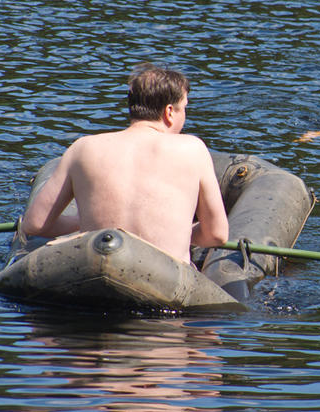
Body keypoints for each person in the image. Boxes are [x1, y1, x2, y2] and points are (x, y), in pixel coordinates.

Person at [20, 63, 229, 265]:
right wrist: (180, 232)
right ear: (169, 112)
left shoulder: (83, 148)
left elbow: (35, 224)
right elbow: (217, 234)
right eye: (184, 108)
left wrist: (83, 221)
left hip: (95, 265)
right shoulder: (192, 149)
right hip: (164, 275)